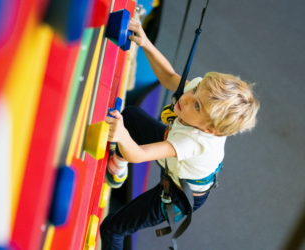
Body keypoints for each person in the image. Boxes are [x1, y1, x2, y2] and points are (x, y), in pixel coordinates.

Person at [100, 18, 260, 250]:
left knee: (113, 228)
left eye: (196, 105)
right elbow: (168, 77)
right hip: (178, 160)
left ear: (209, 129)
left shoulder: (193, 142)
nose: (186, 97)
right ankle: (117, 169)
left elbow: (138, 154)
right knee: (132, 116)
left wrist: (122, 136)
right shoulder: (200, 97)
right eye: (195, 90)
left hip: (178, 194)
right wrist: (145, 43)